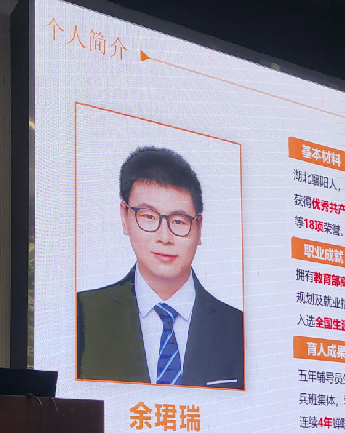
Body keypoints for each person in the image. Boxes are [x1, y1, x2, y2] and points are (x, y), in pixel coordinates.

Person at [77, 147, 244, 389]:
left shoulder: (237, 327)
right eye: (149, 217)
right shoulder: (83, 314)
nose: (164, 237)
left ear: (199, 227)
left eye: (178, 221)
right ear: (125, 217)